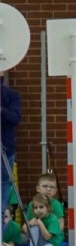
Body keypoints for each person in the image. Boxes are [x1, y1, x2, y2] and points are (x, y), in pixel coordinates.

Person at [0, 77, 20, 212]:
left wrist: (1, 110)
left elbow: (15, 118)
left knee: (3, 182)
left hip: (5, 147)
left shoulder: (10, 95)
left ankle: (1, 216)